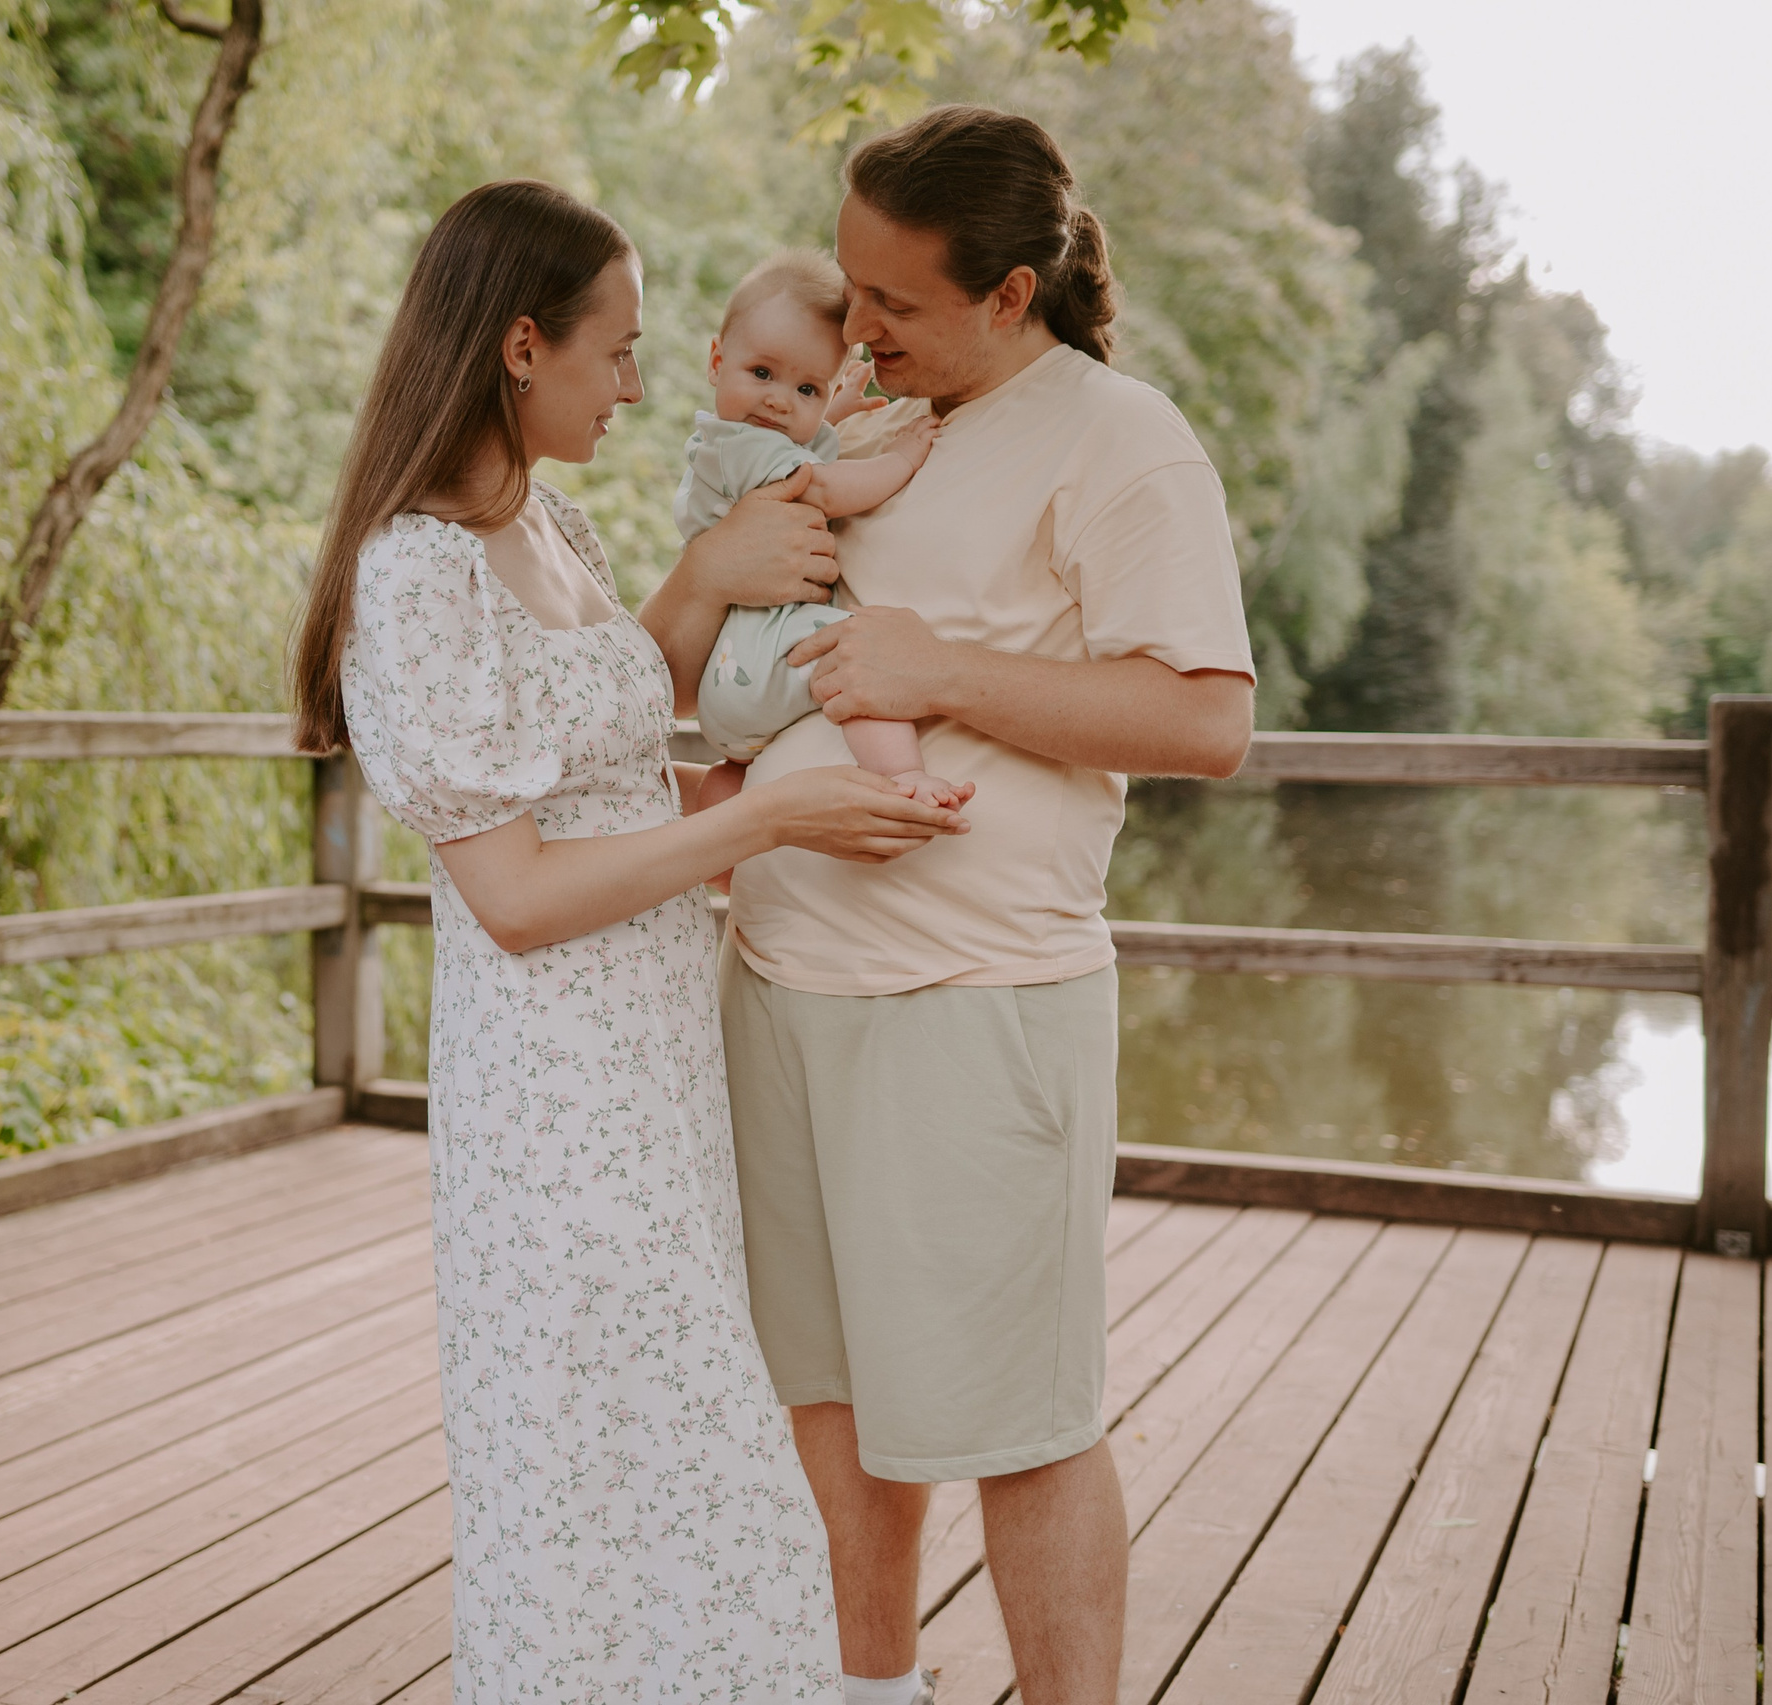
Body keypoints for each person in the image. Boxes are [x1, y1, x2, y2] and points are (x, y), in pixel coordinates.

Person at [286, 178, 968, 1702]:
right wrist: (755, 827)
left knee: (691, 1442)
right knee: (605, 1460)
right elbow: (517, 898)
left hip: (658, 1060)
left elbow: (598, 731)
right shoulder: (417, 577)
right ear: (523, 346)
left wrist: (715, 645)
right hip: (554, 1100)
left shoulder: (552, 524)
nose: (643, 385)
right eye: (619, 352)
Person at [641, 109, 1257, 1705]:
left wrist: (942, 674)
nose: (854, 333)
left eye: (892, 307)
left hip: (977, 1011)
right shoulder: (853, 421)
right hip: (777, 985)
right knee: (833, 1416)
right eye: (846, 294)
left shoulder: (1118, 439)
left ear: (1008, 293)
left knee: (1019, 1428)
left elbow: (1205, 719)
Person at [675, 251, 954, 820]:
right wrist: (902, 456)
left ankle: (732, 872)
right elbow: (824, 489)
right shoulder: (741, 447)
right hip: (766, 648)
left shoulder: (726, 443)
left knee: (739, 773)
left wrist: (835, 409)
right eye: (762, 374)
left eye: (807, 389)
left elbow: (802, 443)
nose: (780, 400)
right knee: (860, 660)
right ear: (716, 360)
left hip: (730, 682)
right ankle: (904, 774)